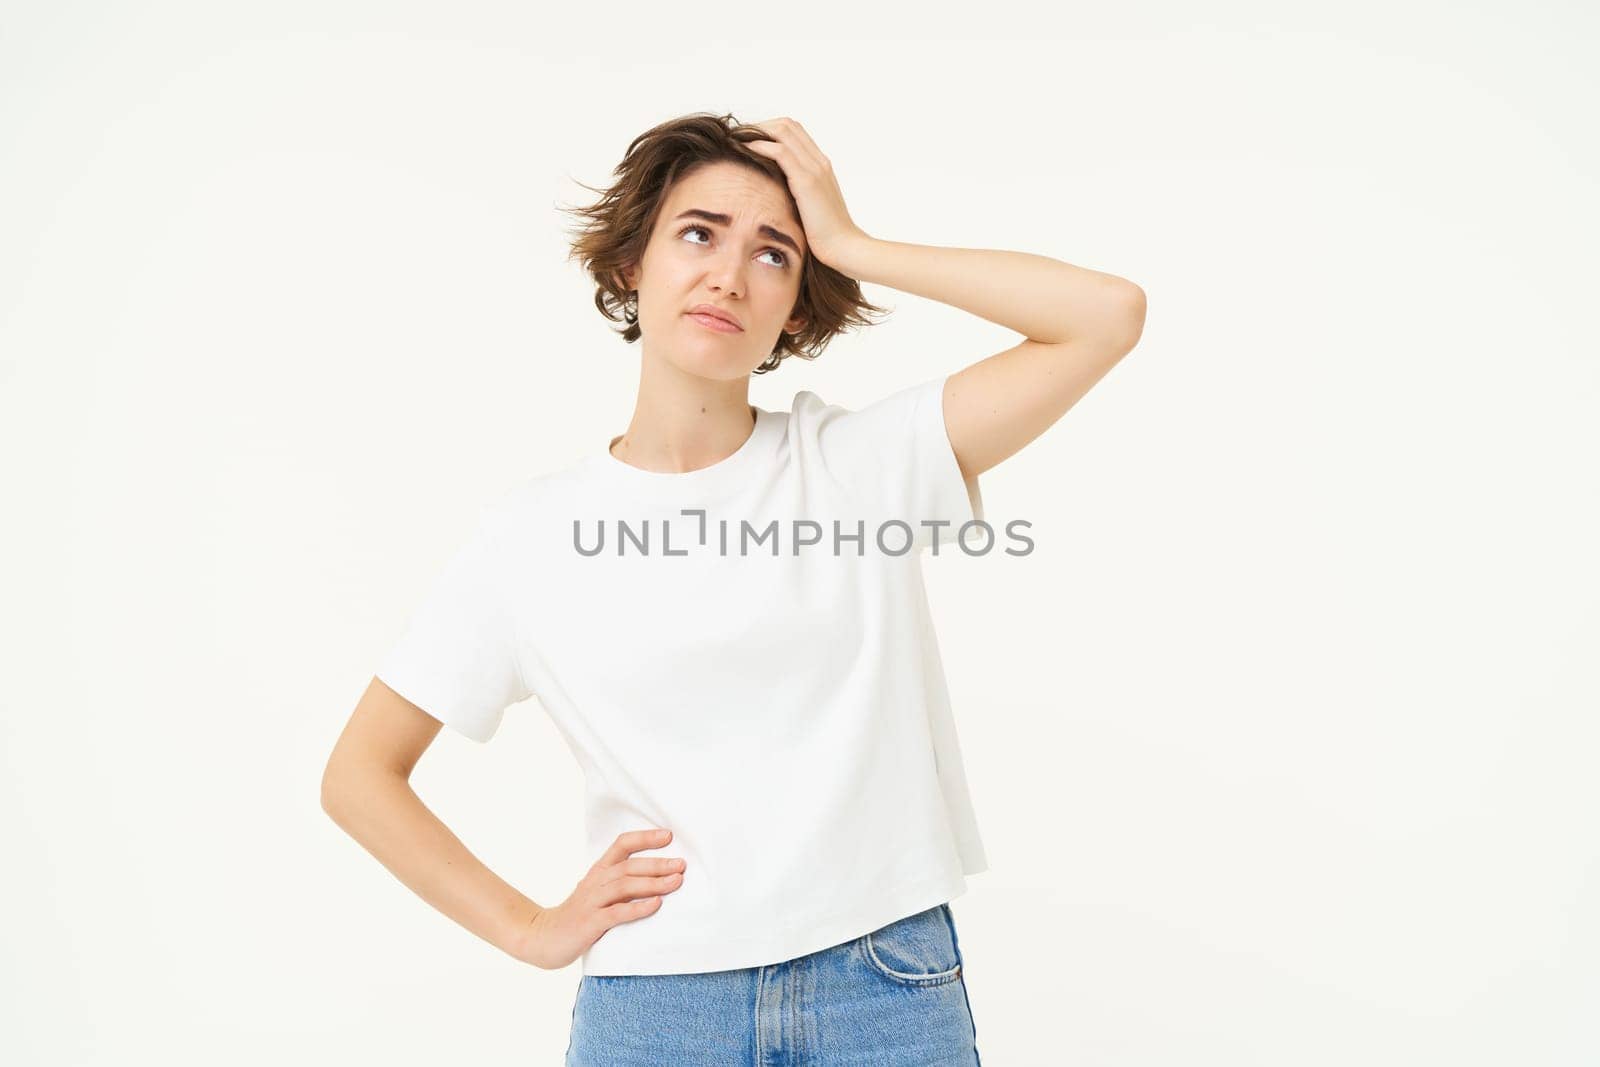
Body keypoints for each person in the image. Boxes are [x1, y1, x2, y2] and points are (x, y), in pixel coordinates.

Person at [320, 111, 1145, 1065]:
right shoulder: (527, 536)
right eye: (699, 232)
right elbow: (358, 776)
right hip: (657, 1007)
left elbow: (1106, 314)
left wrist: (854, 243)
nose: (727, 273)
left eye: (773, 254)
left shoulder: (856, 468)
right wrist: (530, 927)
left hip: (883, 986)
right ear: (634, 262)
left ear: (797, 305)